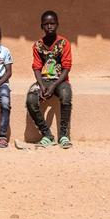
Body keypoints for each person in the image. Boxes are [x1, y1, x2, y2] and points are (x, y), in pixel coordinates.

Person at [26, 10, 74, 148]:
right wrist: (41, 86)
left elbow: (66, 68)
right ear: (41, 26)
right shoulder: (37, 46)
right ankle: (47, 134)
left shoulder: (64, 43)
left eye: (52, 23)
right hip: (44, 81)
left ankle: (64, 135)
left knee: (66, 95)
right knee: (30, 99)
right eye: (46, 24)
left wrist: (54, 86)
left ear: (57, 24)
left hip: (60, 81)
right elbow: (36, 67)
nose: (49, 27)